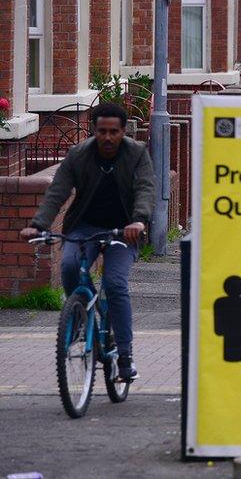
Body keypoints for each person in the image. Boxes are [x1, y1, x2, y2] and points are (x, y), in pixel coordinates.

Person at [20, 102, 155, 382]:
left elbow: (145, 189)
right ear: (93, 130)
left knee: (116, 284)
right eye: (102, 131)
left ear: (122, 132)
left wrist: (139, 221)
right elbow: (57, 192)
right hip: (85, 226)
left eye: (113, 132)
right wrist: (38, 225)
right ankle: (83, 312)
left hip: (124, 229)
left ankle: (125, 356)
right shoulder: (78, 154)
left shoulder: (137, 153)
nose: (107, 137)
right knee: (69, 267)